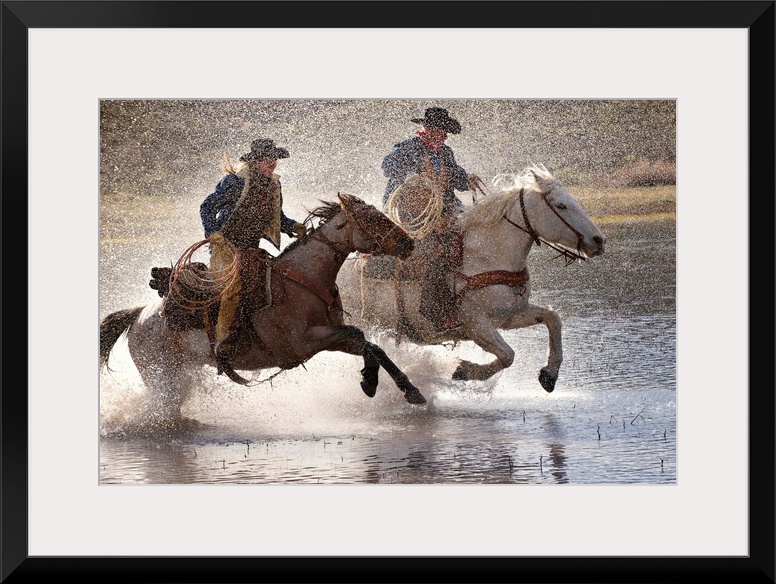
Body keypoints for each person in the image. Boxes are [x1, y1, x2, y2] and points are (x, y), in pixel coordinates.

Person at [200, 138, 306, 371]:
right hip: (225, 247)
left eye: (274, 159)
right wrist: (213, 232)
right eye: (268, 160)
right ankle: (222, 340)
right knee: (233, 288)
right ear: (256, 161)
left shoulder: (274, 185)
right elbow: (206, 207)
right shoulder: (234, 182)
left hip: (251, 248)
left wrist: (292, 226)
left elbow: (277, 217)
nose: (273, 164)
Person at [381, 107, 477, 332]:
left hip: (441, 211)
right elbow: (387, 165)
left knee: (471, 235)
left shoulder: (446, 152)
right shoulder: (409, 146)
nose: (446, 136)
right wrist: (408, 175)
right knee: (434, 252)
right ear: (430, 129)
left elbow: (455, 176)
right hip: (410, 214)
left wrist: (468, 179)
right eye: (443, 131)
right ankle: (434, 312)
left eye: (446, 131)